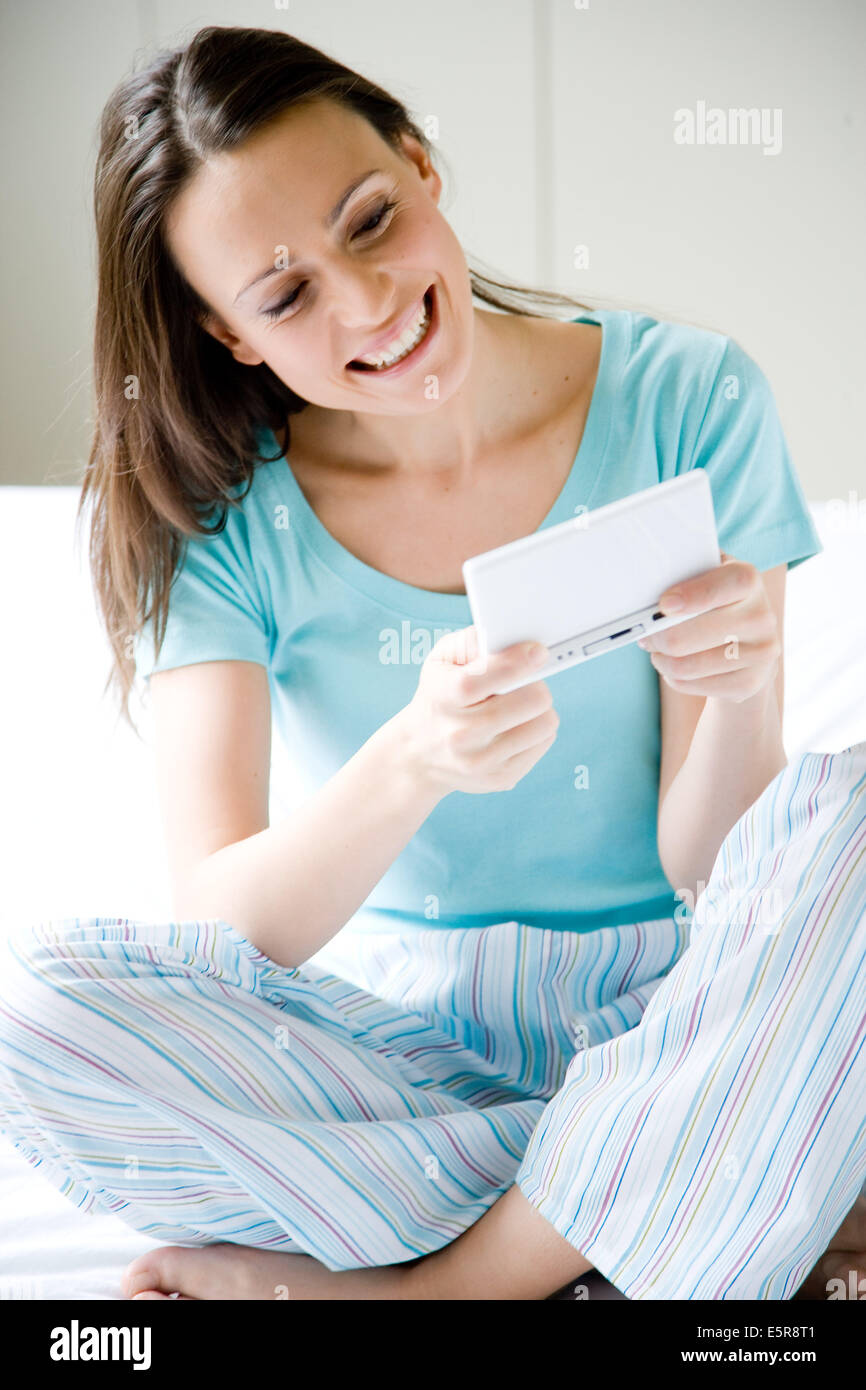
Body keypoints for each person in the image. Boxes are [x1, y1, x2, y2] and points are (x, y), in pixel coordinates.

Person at [1, 25, 863, 1302]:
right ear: (228, 335)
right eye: (284, 296)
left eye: (369, 219)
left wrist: (737, 689)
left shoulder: (688, 399)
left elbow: (716, 858)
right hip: (404, 1069)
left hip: (692, 1008)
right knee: (39, 1013)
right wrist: (410, 760)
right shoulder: (224, 519)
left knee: (847, 812)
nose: (367, 305)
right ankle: (680, 1200)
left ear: (418, 164)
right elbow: (226, 926)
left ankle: (440, 1289)